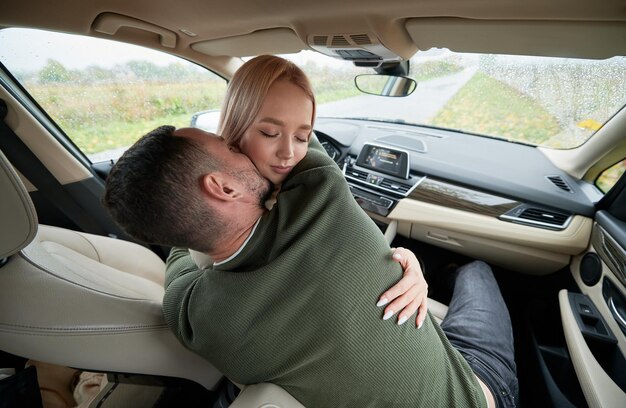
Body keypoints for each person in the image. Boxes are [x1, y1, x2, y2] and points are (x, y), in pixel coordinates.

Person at [103, 125, 518, 407]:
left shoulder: (191, 317)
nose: (243, 149)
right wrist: (411, 270)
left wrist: (190, 224)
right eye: (231, 147)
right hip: (477, 390)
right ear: (224, 187)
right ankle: (448, 270)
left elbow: (181, 255)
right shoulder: (321, 199)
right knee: (476, 270)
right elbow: (281, 103)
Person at [191, 55, 429, 328]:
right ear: (234, 126)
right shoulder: (234, 218)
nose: (289, 153)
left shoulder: (296, 188)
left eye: (303, 137)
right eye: (270, 133)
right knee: (476, 273)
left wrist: (406, 264)